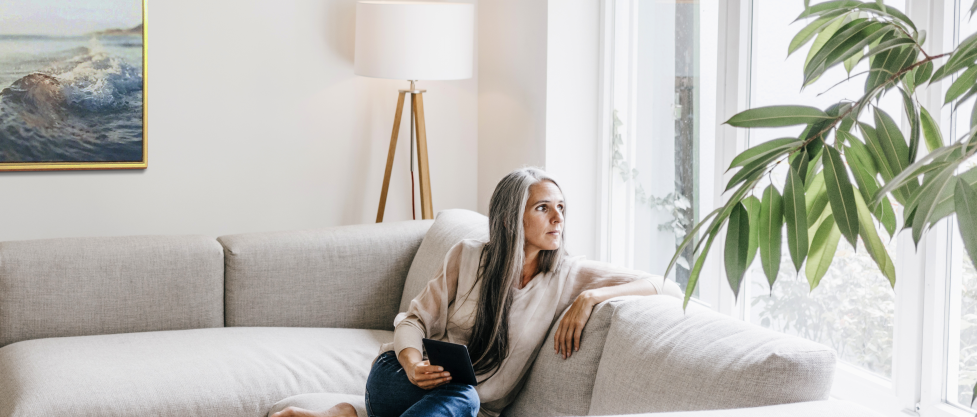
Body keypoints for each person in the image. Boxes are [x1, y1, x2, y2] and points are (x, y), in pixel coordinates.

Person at [277, 167, 680, 417]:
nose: (558, 217)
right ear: (511, 217)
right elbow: (413, 320)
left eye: (561, 207)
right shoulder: (467, 256)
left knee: (465, 399)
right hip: (400, 380)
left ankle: (345, 415)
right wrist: (414, 363)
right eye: (543, 208)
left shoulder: (567, 276)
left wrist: (590, 299)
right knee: (451, 395)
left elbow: (664, 283)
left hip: (465, 407)